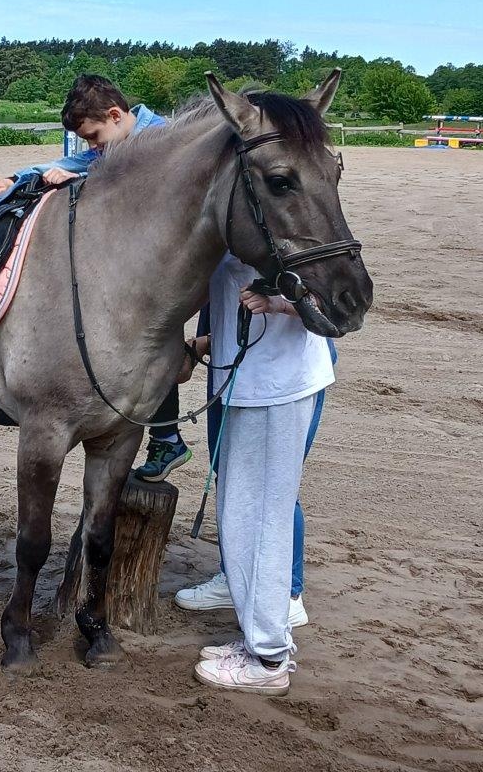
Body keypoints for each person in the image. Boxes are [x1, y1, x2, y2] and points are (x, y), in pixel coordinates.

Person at [0, 74, 193, 473]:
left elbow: (135, 187)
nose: (92, 146)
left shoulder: (163, 142)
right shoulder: (118, 140)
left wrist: (85, 179)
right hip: (135, 258)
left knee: (154, 337)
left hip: (164, 265)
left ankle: (166, 437)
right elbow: (71, 164)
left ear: (115, 115)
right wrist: (15, 180)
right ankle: (164, 436)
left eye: (93, 136)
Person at [182, 254, 335, 695]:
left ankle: (269, 658)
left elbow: (337, 303)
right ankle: (257, 638)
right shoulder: (238, 225)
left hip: (276, 388)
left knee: (264, 519)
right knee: (241, 515)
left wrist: (283, 303)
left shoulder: (288, 228)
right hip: (249, 384)